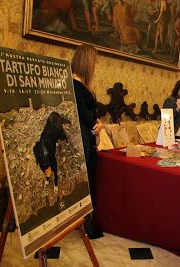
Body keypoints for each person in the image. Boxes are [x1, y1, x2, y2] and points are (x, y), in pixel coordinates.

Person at [71, 44, 103, 238]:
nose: (95, 65)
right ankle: (86, 224)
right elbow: (82, 113)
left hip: (87, 136)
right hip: (82, 138)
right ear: (86, 62)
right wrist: (96, 124)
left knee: (90, 181)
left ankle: (86, 222)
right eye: (94, 61)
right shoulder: (75, 84)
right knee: (86, 182)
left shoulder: (81, 84)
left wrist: (98, 123)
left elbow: (91, 113)